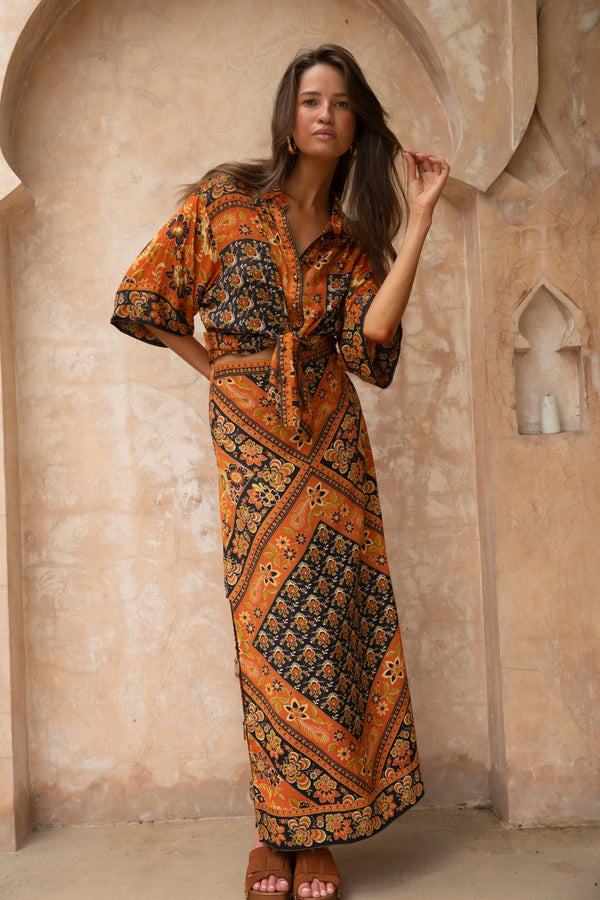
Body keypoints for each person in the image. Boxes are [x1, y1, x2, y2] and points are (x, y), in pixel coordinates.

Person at [111, 43, 449, 900]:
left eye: (339, 103)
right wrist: (224, 378)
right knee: (268, 639)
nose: (325, 114)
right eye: (310, 99)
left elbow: (371, 347)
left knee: (332, 632)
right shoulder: (224, 202)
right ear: (288, 114)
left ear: (355, 123)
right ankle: (278, 833)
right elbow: (144, 299)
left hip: (333, 450)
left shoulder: (351, 238)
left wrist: (419, 226)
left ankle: (320, 839)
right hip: (256, 451)